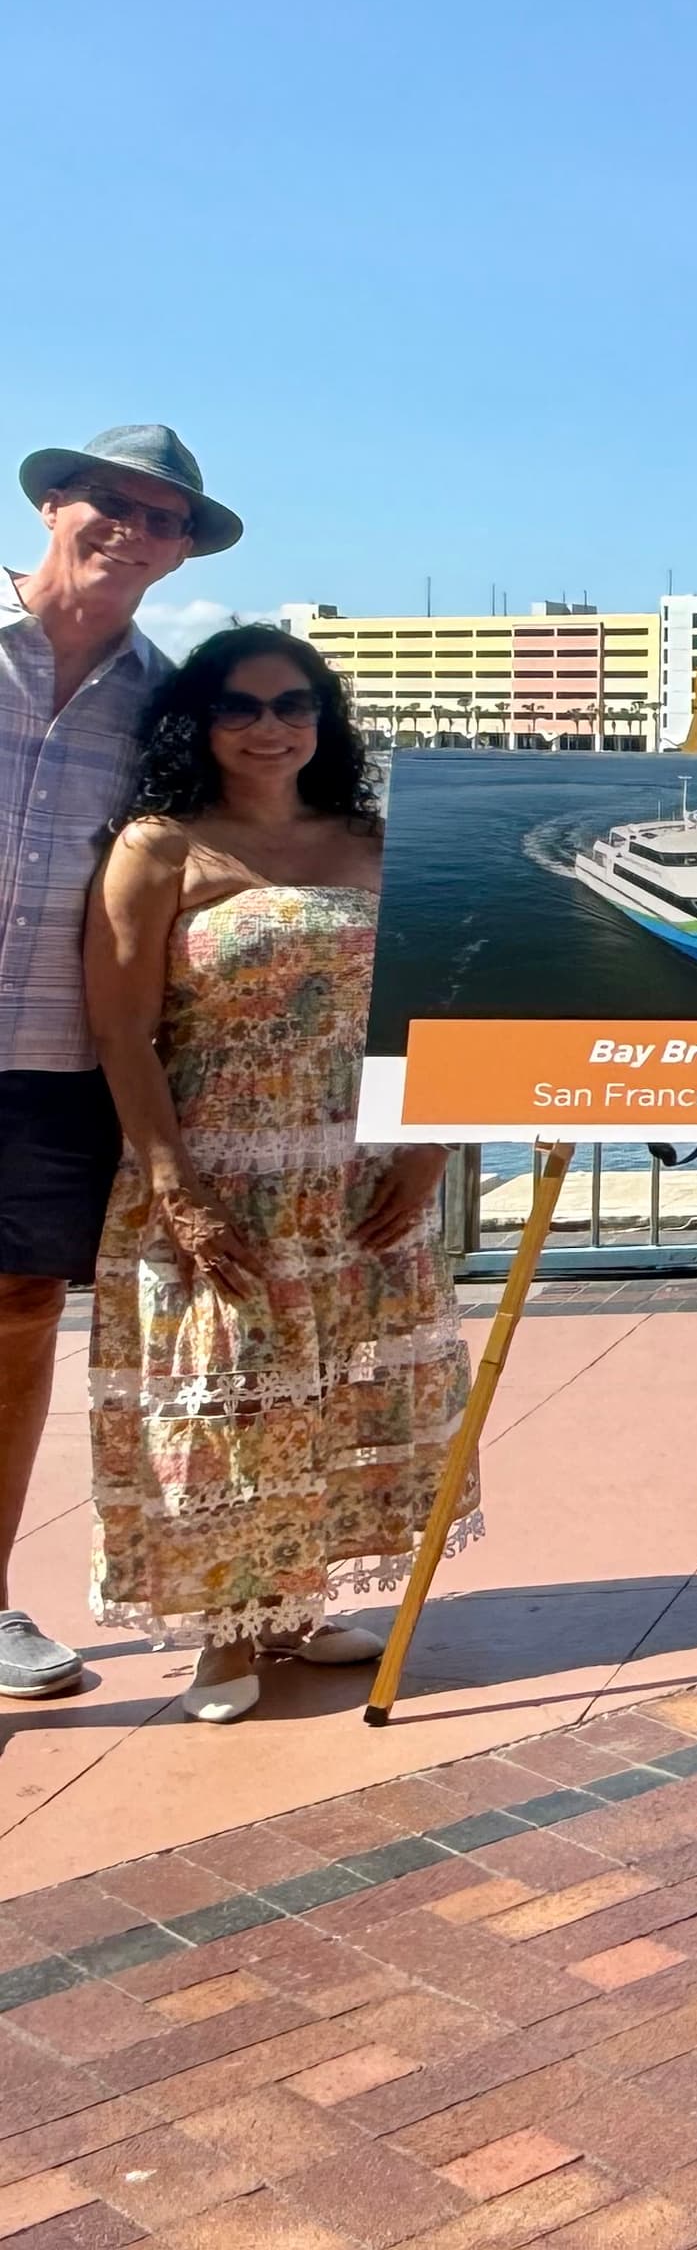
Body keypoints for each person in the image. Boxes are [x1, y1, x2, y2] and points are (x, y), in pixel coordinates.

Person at [81, 631, 457, 1721]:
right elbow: (123, 1037)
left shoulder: (376, 842)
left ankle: (294, 1604)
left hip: (359, 1166)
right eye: (240, 707)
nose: (270, 726)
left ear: (325, 721)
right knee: (223, 1402)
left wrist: (428, 1149)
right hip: (221, 1170)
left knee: (342, 1386)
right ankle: (223, 1634)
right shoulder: (162, 849)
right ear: (196, 720)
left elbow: (437, 1011)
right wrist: (177, 1192)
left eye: (295, 704)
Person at [0, 426, 233, 1706]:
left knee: (18, 1321)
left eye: (166, 522)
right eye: (113, 505)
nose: (136, 534)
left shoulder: (166, 705)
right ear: (49, 505)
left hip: (44, 1056)